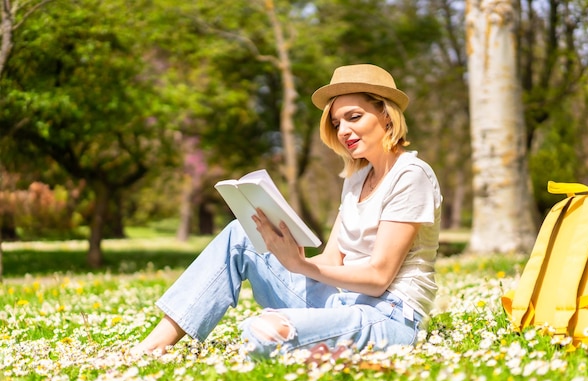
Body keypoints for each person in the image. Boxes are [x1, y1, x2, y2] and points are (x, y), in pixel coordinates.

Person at [132, 64, 442, 359]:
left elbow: (378, 278)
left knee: (265, 330)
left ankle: (317, 348)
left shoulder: (410, 175)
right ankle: (152, 348)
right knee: (241, 235)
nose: (344, 130)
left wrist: (299, 265)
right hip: (342, 302)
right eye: (337, 123)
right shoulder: (357, 179)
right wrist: (283, 258)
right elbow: (333, 260)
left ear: (386, 115)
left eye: (354, 117)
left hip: (388, 316)